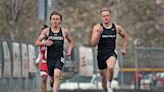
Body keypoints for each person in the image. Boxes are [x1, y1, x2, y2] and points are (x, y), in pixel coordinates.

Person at [35, 10, 74, 92]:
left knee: (57, 75)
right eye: (53, 19)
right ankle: (52, 81)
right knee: (52, 77)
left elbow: (71, 42)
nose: (55, 21)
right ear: (50, 20)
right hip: (49, 57)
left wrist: (70, 50)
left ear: (60, 20)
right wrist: (45, 42)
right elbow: (37, 43)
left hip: (59, 57)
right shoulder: (46, 31)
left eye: (57, 19)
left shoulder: (64, 31)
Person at [90, 7, 127, 92]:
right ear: (101, 17)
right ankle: (106, 90)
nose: (106, 17)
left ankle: (110, 83)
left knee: (110, 68)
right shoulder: (97, 27)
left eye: (107, 15)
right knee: (103, 78)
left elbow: (124, 37)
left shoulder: (117, 28)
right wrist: (99, 34)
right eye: (104, 16)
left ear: (110, 16)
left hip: (111, 53)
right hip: (101, 54)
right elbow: (93, 43)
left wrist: (124, 48)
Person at [35, 24, 48, 92]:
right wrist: (37, 61)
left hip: (53, 63)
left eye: (43, 33)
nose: (42, 35)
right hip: (44, 63)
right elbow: (40, 53)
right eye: (41, 33)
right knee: (44, 79)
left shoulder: (53, 41)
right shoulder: (41, 43)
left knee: (53, 82)